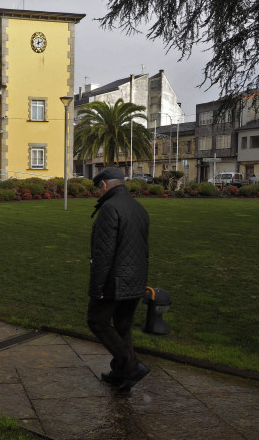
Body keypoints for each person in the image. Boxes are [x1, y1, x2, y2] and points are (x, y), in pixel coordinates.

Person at [88, 167, 151, 392]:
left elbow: (103, 253)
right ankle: (121, 373)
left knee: (97, 322)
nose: (97, 193)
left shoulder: (109, 207)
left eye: (98, 188)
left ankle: (132, 366)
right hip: (136, 277)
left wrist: (97, 288)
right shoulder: (138, 207)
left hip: (115, 279)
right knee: (123, 325)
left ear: (104, 185)